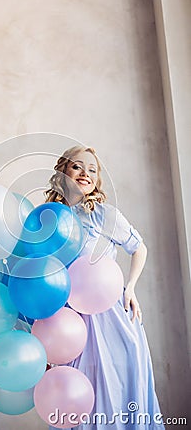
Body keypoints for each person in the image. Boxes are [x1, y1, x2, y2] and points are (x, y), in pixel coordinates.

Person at [45, 146, 165, 430]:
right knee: (77, 394)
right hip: (69, 323)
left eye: (92, 169)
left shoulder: (102, 214)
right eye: (77, 166)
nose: (85, 173)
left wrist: (131, 288)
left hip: (111, 319)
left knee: (117, 388)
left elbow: (139, 248)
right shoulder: (47, 218)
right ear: (62, 172)